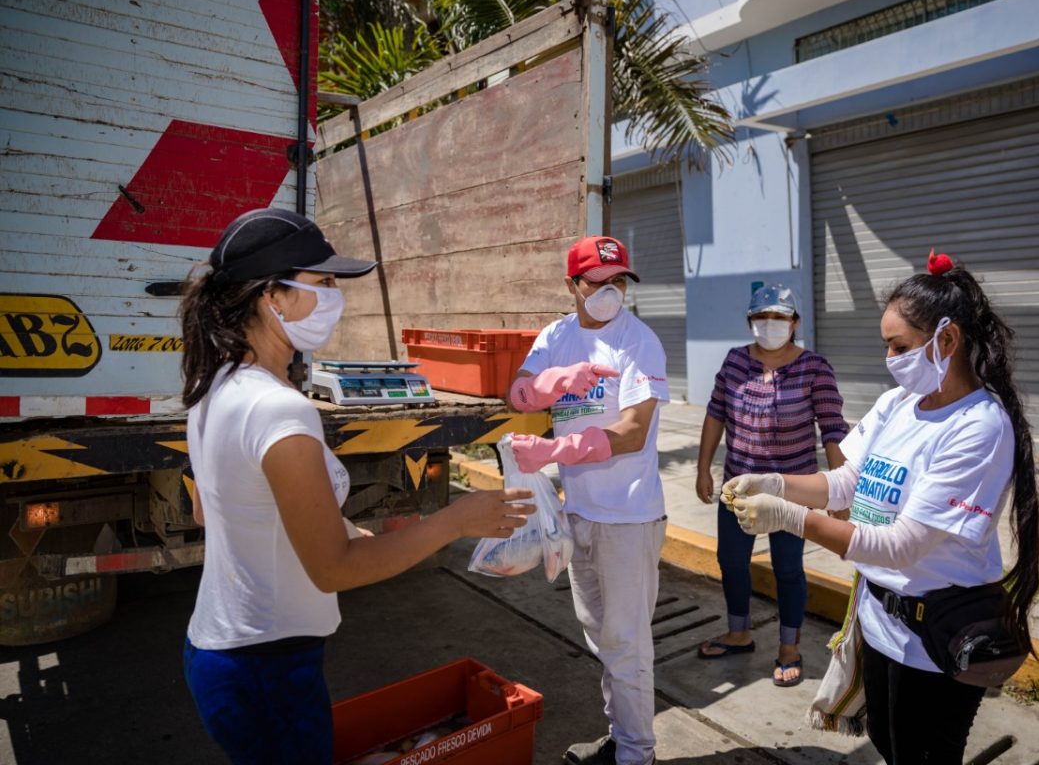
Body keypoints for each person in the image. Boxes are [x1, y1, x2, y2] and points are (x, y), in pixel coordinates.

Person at [178, 207, 533, 764]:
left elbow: (210, 509)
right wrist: (456, 520)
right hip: (267, 666)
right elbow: (333, 569)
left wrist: (337, 525)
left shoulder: (215, 383)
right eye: (321, 283)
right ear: (273, 297)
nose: (333, 298)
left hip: (224, 652)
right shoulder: (279, 409)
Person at [723, 251, 1039, 765]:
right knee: (892, 746)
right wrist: (777, 482)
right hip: (878, 621)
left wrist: (789, 518)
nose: (890, 358)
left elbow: (902, 546)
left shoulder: (979, 427)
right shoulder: (897, 404)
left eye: (900, 346)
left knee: (922, 756)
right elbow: (846, 482)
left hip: (935, 638)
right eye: (887, 346)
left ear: (947, 340)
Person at [507, 235, 670, 765]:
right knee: (601, 637)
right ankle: (621, 737)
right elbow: (518, 392)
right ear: (572, 286)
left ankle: (636, 755)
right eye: (598, 283)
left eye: (618, 281)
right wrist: (549, 383)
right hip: (579, 512)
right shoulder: (554, 336)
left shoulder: (638, 341)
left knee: (627, 645)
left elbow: (633, 431)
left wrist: (558, 449)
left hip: (628, 516)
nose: (610, 291)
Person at [696, 284, 848, 688]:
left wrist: (838, 489)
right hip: (738, 485)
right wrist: (702, 467)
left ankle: (788, 647)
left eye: (780, 318)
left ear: (794, 323)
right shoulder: (734, 362)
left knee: (787, 568)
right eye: (762, 318)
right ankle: (740, 633)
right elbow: (715, 415)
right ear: (750, 322)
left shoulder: (815, 367)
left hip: (791, 490)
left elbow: (833, 429)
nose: (770, 325)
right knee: (730, 561)